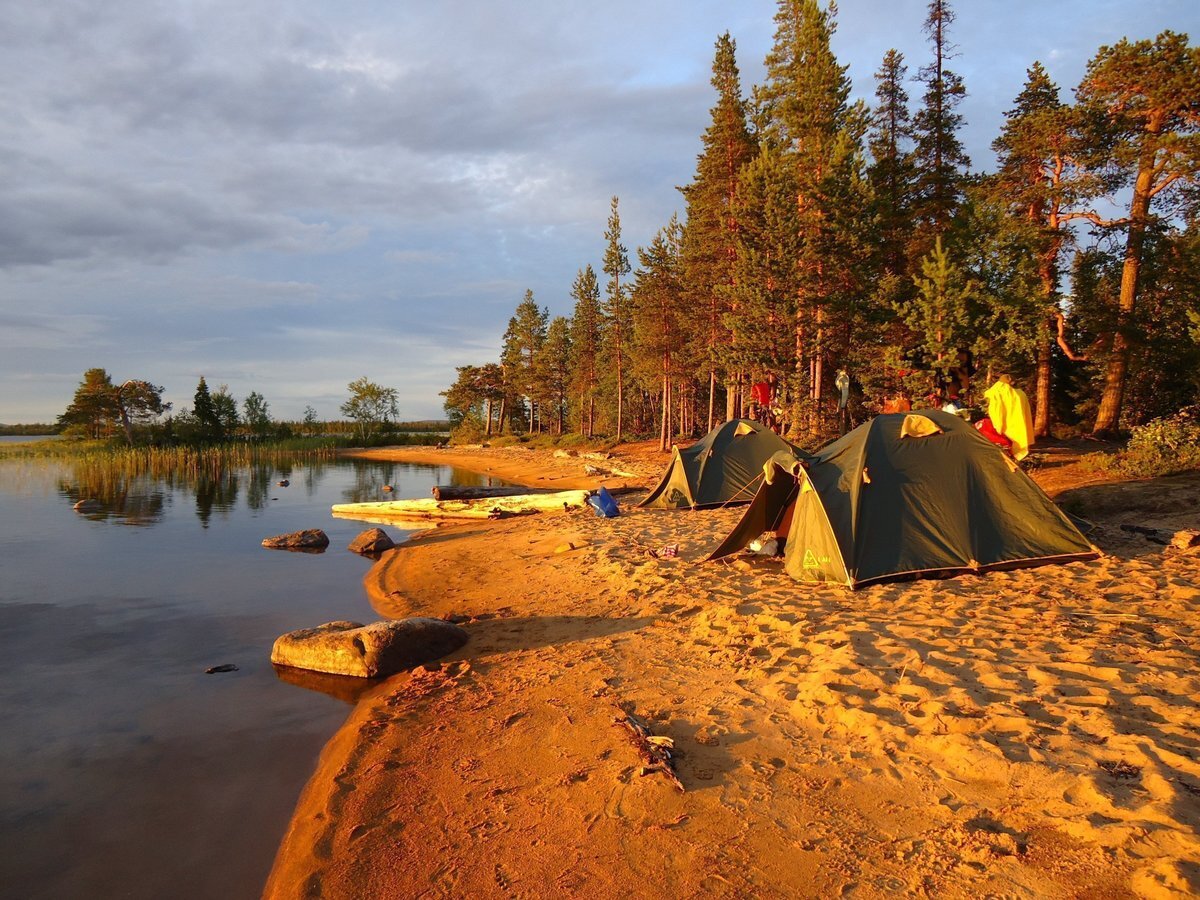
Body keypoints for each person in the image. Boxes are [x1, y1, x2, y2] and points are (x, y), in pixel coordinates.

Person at [983, 375, 1034, 461]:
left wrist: (998, 426)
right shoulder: (1020, 393)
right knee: (1016, 442)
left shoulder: (996, 392)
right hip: (1018, 424)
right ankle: (1016, 458)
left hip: (1004, 425)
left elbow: (997, 410)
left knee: (1005, 443)